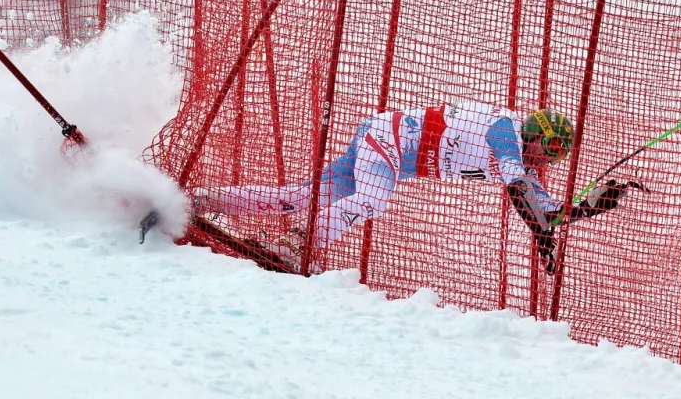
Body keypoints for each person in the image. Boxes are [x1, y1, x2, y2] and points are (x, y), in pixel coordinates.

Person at [194, 101, 634, 274]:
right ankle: (296, 242)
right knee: (371, 200)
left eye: (558, 155)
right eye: (548, 147)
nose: (548, 158)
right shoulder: (507, 131)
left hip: (388, 151)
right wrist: (542, 232)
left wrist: (596, 205)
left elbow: (548, 213)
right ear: (533, 132)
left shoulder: (521, 165)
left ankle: (199, 199)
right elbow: (527, 204)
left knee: (300, 197)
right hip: (388, 138)